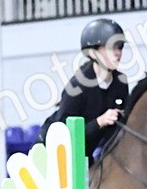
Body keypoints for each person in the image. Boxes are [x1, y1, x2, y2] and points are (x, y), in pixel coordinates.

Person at [40, 18, 131, 163]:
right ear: (93, 53)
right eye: (111, 48)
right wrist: (99, 122)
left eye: (119, 47)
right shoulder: (77, 86)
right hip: (55, 156)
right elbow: (64, 134)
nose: (117, 53)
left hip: (86, 155)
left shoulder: (120, 82)